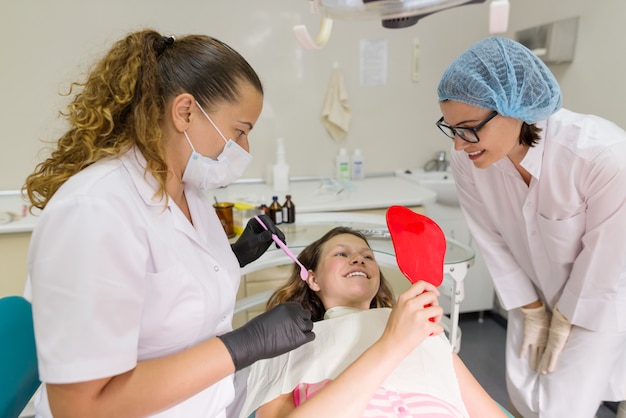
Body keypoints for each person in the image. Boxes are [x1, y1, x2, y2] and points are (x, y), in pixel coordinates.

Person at [21, 29, 315, 418]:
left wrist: (231, 257)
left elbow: (162, 292)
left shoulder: (188, 192)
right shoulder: (94, 210)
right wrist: (245, 343)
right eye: (239, 131)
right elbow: (80, 407)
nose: (243, 149)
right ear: (185, 112)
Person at [436, 36, 626, 417]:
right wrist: (533, 309)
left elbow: (607, 257)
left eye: (469, 128)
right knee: (523, 398)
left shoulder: (601, 157)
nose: (459, 145)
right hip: (534, 295)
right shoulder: (469, 161)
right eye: (451, 128)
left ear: (514, 110)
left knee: (564, 407)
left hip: (601, 299)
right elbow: (490, 239)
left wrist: (565, 320)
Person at [237, 227, 508, 418]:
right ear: (313, 279)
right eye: (341, 254)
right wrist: (393, 343)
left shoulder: (417, 326)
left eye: (368, 256)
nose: (359, 259)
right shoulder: (285, 341)